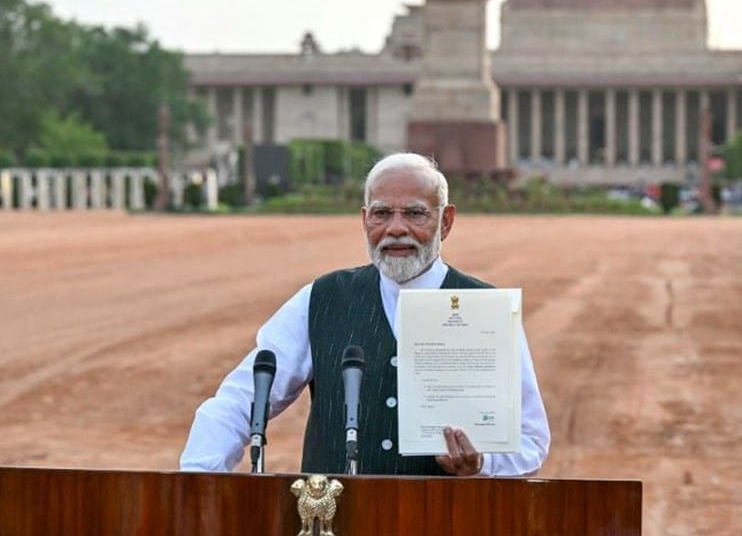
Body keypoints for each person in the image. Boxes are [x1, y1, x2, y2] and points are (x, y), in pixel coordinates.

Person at [179, 152, 550, 476]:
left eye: (415, 214)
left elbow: (531, 441)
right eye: (382, 213)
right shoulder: (323, 299)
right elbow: (242, 399)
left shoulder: (485, 310)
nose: (396, 228)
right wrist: (198, 478)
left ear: (446, 221)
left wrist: (484, 463)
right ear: (364, 220)